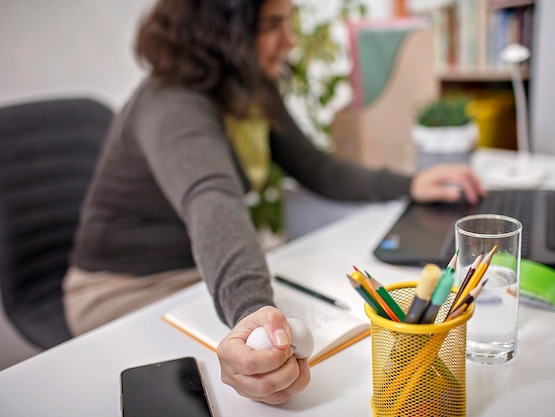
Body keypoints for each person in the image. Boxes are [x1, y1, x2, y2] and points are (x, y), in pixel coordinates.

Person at [63, 0, 485, 405]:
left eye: (288, 20)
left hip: (196, 270)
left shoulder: (248, 86)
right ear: (217, 30)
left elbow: (315, 167)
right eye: (271, 25)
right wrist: (251, 310)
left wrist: (410, 184)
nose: (291, 40)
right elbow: (213, 201)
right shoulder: (171, 103)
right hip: (124, 288)